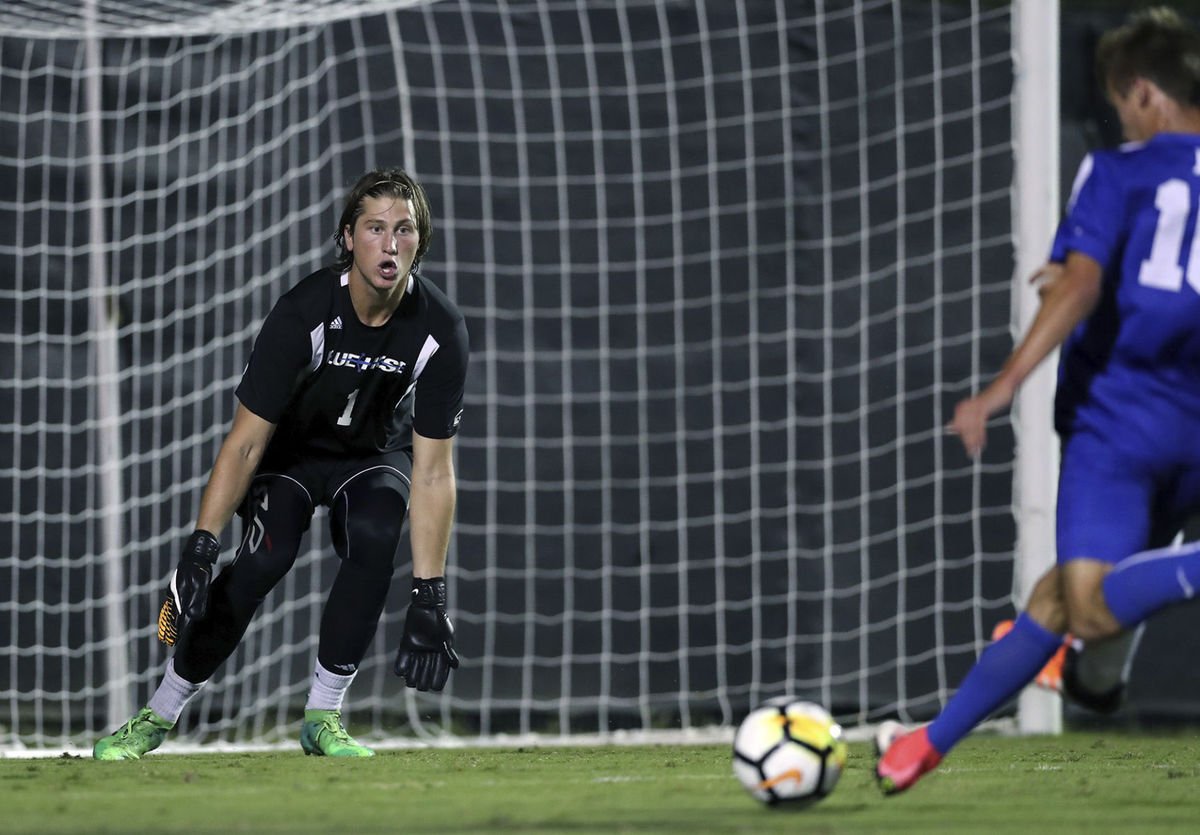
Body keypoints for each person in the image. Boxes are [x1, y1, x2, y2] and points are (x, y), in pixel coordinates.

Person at [876, 7, 1200, 794]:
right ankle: (928, 742)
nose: (1121, 120)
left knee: (1085, 606)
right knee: (1063, 600)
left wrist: (1002, 385)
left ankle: (1082, 677)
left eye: (1120, 104)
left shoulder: (1119, 170)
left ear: (1143, 92)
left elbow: (1080, 285)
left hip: (1118, 423)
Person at [93, 167, 468, 760]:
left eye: (404, 229)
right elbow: (245, 442)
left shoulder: (439, 328)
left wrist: (430, 593)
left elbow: (434, 471)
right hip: (290, 457)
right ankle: (157, 715)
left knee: (376, 532)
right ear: (348, 238)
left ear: (420, 243)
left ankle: (323, 716)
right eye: (375, 228)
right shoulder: (303, 312)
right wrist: (201, 547)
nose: (390, 244)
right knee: (265, 556)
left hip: (372, 458)